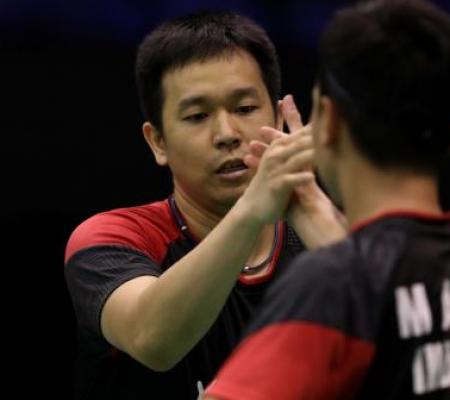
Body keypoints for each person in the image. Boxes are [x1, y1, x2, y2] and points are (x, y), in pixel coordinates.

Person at [204, 0, 450, 399]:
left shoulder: (331, 283)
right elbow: (389, 293)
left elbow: (363, 283)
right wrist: (308, 205)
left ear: (330, 121)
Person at [64, 10, 345, 400]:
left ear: (280, 120)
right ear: (157, 141)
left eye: (245, 109)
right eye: (197, 116)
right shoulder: (112, 240)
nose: (227, 134)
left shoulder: (327, 239)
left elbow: (405, 342)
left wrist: (312, 211)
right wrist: (253, 208)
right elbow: (154, 341)